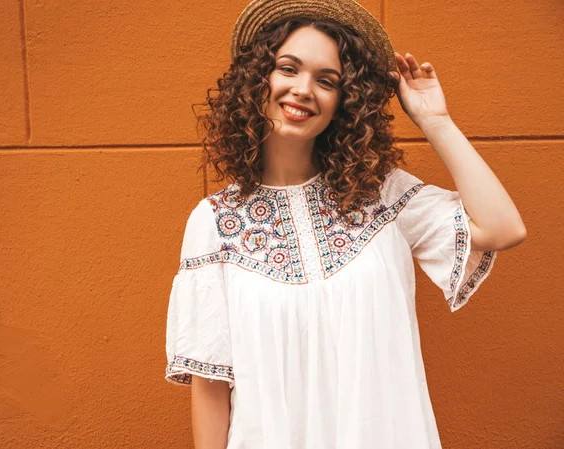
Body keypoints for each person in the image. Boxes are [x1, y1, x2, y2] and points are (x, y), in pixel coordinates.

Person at [165, 1, 527, 448]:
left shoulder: (382, 195)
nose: (303, 90)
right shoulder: (214, 222)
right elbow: (211, 387)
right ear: (258, 78)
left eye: (326, 80)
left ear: (344, 102)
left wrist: (436, 121)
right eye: (288, 68)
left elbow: (503, 229)